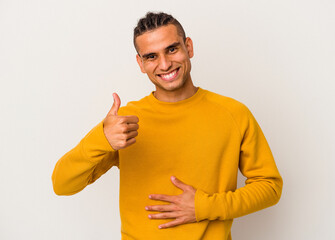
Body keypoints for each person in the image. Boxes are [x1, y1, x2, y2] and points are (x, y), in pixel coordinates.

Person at [52, 11, 283, 240]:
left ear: (188, 47)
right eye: (151, 56)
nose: (164, 64)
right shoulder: (126, 122)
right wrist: (102, 138)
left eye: (172, 49)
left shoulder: (233, 113)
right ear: (140, 63)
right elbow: (62, 184)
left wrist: (205, 207)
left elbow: (270, 187)